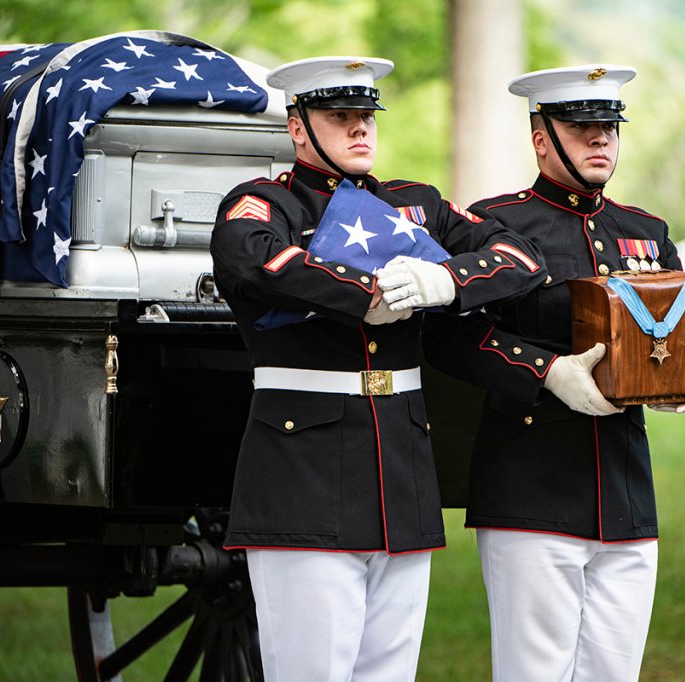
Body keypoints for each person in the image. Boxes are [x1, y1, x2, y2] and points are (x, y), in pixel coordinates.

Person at [210, 56, 546, 682]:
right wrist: (371, 295)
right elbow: (258, 261)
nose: (361, 128)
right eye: (339, 117)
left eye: (366, 115)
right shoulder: (262, 203)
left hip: (400, 474)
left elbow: (520, 255)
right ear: (297, 128)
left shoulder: (415, 206)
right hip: (303, 474)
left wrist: (445, 279)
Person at [423, 64, 685, 681]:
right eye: (580, 126)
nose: (600, 138)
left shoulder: (645, 232)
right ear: (541, 137)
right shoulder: (496, 226)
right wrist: (546, 371)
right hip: (530, 489)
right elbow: (448, 336)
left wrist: (679, 384)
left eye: (609, 125)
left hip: (626, 495)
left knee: (613, 673)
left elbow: (678, 326)